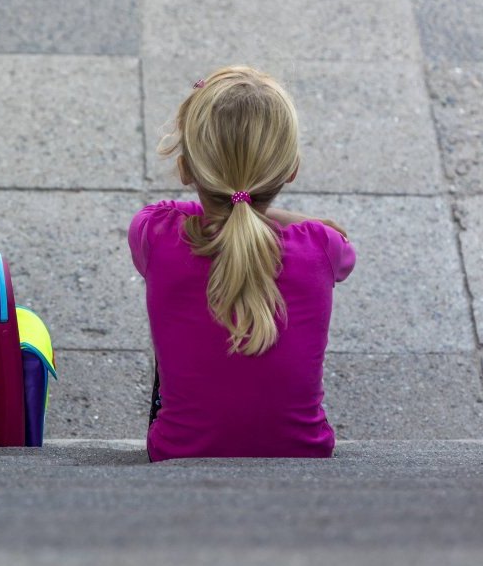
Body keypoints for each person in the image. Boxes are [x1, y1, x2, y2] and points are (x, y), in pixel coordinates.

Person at [128, 66, 355, 461]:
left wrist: (229, 203)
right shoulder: (323, 246)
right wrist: (296, 220)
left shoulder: (154, 234)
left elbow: (170, 211)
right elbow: (343, 254)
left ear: (185, 170)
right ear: (291, 170)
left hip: (178, 451)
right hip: (305, 451)